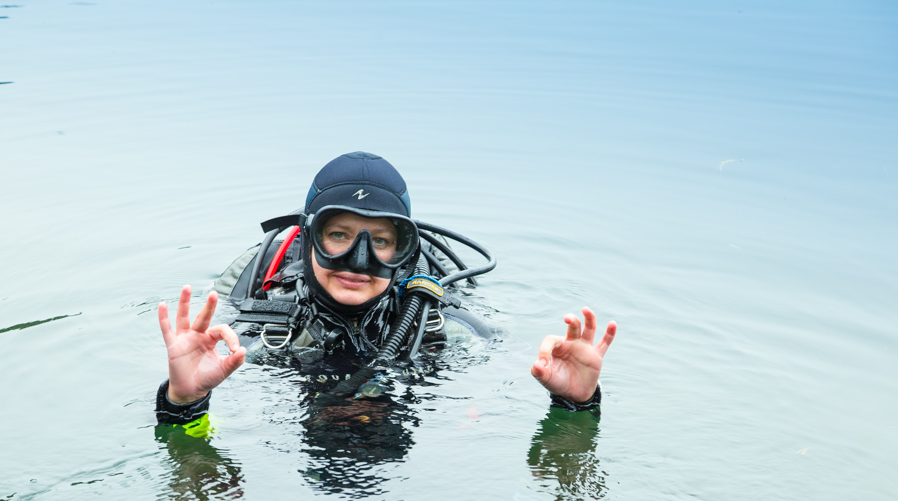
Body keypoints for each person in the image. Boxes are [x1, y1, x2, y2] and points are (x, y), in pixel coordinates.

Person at [155, 151, 617, 435]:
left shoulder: (440, 325)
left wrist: (574, 404)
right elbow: (191, 456)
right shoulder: (251, 327)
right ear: (309, 235)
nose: (359, 261)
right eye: (339, 235)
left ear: (403, 248)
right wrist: (184, 403)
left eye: (379, 241)